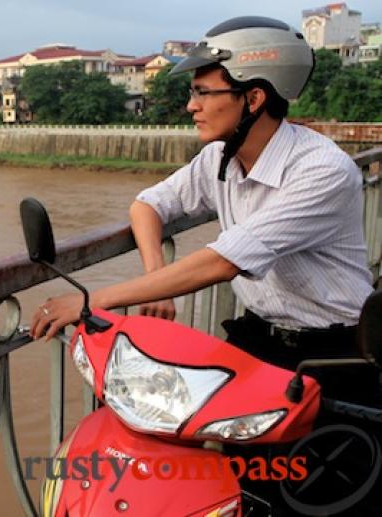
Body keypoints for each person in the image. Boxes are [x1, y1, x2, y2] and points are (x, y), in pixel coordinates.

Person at [29, 15, 378, 514]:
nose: (190, 106)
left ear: (253, 99)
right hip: (256, 342)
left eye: (203, 92)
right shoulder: (221, 158)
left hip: (331, 352)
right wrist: (155, 285)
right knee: (232, 480)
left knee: (311, 493)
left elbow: (222, 261)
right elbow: (148, 206)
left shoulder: (321, 171)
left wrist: (90, 299)